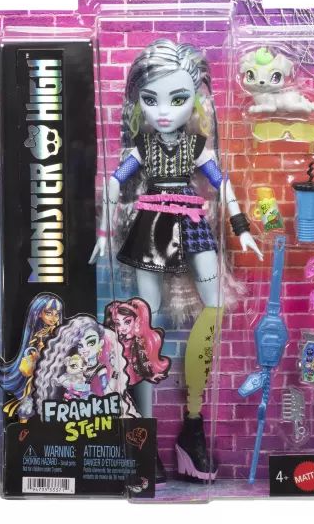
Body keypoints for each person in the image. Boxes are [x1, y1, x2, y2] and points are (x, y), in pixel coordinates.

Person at [89, 39, 263, 482]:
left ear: (196, 99)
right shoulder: (142, 147)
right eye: (151, 100)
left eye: (178, 99)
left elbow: (221, 183)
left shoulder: (197, 146)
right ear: (138, 103)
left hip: (193, 222)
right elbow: (114, 183)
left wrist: (241, 227)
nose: (164, 112)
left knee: (215, 305)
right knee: (141, 322)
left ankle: (193, 419)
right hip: (150, 227)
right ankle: (142, 435)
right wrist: (105, 231)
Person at [0, 293, 63, 421]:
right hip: (37, 375)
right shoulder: (38, 334)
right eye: (49, 313)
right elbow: (32, 354)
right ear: (38, 313)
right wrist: (37, 353)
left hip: (52, 374)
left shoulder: (58, 334)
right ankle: (23, 427)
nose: (54, 318)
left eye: (57, 314)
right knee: (28, 407)